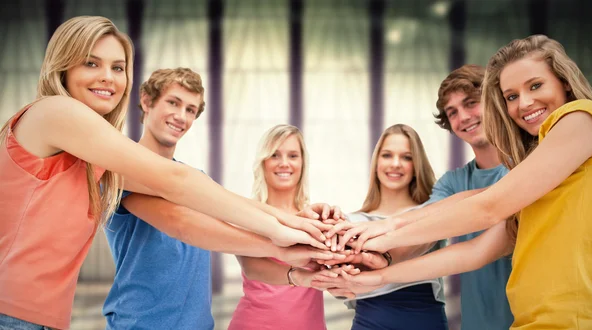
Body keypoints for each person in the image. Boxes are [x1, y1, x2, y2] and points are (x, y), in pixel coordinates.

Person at [0, 16, 327, 330]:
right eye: (91, 63)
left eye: (118, 67)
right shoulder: (55, 110)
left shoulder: (96, 165)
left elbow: (201, 199)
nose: (108, 77)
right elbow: (179, 206)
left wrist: (291, 224)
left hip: (39, 317)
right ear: (62, 65)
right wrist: (279, 236)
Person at [334, 35, 592, 329]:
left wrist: (383, 236)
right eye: (511, 96)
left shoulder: (580, 118)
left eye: (536, 85)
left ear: (563, 80)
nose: (524, 102)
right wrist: (378, 275)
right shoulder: (535, 178)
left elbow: (490, 205)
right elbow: (474, 251)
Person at [102, 69, 338, 329]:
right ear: (146, 101)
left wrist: (296, 221)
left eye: (191, 110)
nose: (181, 116)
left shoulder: (196, 178)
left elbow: (232, 205)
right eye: (173, 103)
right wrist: (281, 247)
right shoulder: (120, 171)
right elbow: (180, 222)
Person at [315, 64, 514, 330]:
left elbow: (482, 223)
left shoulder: (529, 169)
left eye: (471, 103)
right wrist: (349, 262)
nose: (463, 117)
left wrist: (381, 254)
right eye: (452, 112)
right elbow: (424, 232)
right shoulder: (452, 184)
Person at [229, 124, 353, 330]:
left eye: (293, 156)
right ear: (263, 162)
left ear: (303, 163)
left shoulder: (318, 219)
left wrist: (341, 267)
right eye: (275, 155)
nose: (284, 163)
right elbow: (252, 268)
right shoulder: (250, 215)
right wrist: (302, 277)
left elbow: (339, 288)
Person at [340, 124, 447, 330]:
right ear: (376, 162)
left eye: (406, 157)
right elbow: (340, 288)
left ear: (416, 165)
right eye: (387, 155)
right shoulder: (351, 222)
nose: (395, 164)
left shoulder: (434, 212)